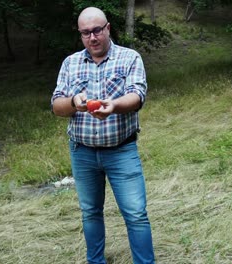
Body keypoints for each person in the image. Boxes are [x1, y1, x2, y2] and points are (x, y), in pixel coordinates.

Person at [50, 7, 155, 264]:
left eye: (97, 30)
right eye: (86, 33)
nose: (92, 37)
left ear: (108, 28)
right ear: (80, 35)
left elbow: (137, 95)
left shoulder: (129, 58)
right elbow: (56, 105)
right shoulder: (70, 63)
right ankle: (95, 261)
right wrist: (74, 102)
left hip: (122, 150)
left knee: (136, 213)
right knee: (90, 213)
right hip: (82, 152)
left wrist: (114, 106)